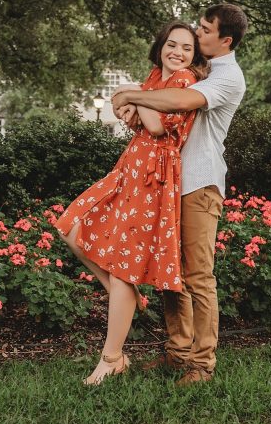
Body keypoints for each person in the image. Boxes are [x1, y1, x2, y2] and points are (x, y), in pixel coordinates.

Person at [55, 21, 210, 385]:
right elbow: (132, 116)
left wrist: (131, 95)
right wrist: (132, 100)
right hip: (130, 167)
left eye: (186, 48)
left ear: (193, 55)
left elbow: (155, 126)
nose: (178, 53)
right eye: (171, 45)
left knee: (122, 262)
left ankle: (112, 357)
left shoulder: (184, 80)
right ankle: (123, 299)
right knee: (72, 225)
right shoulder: (156, 77)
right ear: (160, 47)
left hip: (154, 176)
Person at [111, 3, 247, 387]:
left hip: (199, 185)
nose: (198, 34)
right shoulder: (201, 70)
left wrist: (130, 93)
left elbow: (179, 101)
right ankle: (177, 352)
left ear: (225, 40)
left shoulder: (227, 77)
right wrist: (137, 100)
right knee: (172, 271)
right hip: (172, 183)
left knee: (198, 276)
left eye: (205, 30)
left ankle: (201, 364)